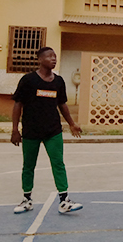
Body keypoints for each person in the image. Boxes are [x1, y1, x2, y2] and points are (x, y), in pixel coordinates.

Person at [10, 46, 83, 214]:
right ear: (40, 60)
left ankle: (64, 201)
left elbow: (62, 104)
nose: (53, 59)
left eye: (55, 56)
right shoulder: (28, 80)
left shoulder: (59, 81)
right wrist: (15, 129)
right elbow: (17, 104)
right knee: (28, 165)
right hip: (31, 131)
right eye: (49, 56)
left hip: (53, 131)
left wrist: (72, 123)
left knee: (58, 163)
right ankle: (27, 199)